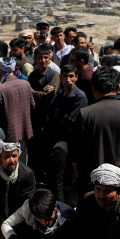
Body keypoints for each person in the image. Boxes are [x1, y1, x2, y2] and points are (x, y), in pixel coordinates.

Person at [68, 66, 120, 195]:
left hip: (96, 188)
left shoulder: (85, 114)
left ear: (94, 89)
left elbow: (75, 155)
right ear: (118, 88)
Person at [43, 64, 88, 203]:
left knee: (67, 177)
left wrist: (59, 116)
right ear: (61, 78)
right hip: (58, 138)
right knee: (57, 175)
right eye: (65, 76)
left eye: (71, 76)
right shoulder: (61, 93)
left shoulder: (80, 97)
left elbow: (70, 120)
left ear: (76, 78)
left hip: (70, 142)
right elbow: (51, 113)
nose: (68, 79)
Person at [0, 57, 35, 163]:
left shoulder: (0, 89)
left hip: (9, 133)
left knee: (10, 163)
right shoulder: (26, 84)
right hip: (24, 131)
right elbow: (32, 105)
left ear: (1, 70)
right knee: (23, 161)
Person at [2, 188, 75, 239]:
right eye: (40, 219)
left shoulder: (68, 214)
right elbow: (6, 224)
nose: (45, 223)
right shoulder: (28, 207)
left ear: (55, 207)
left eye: (48, 218)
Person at [27, 46, 60, 145]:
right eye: (40, 58)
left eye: (46, 57)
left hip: (48, 116)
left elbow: (49, 94)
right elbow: (27, 92)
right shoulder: (33, 75)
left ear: (50, 59)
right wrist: (38, 92)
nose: (43, 60)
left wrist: (33, 92)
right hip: (35, 116)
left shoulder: (54, 75)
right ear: (35, 59)